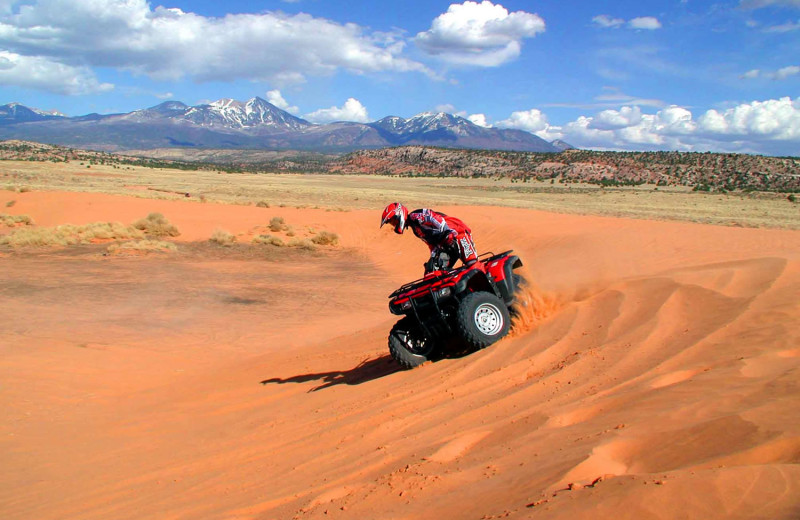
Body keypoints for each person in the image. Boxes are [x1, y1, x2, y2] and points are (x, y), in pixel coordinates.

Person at [380, 202, 479, 273]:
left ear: (399, 214)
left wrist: (446, 230)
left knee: (472, 265)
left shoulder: (415, 216)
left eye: (393, 221)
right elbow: (431, 245)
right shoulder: (417, 230)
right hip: (446, 245)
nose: (394, 225)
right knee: (434, 272)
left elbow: (433, 217)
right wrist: (432, 258)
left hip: (459, 234)